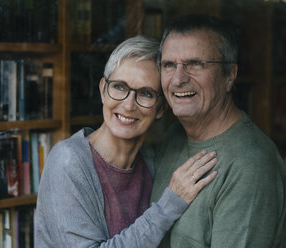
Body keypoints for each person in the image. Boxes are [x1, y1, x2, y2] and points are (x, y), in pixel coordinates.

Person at [34, 35, 218, 247]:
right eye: (119, 87)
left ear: (161, 108)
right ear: (103, 90)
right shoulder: (68, 161)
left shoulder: (150, 161)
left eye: (146, 93)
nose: (129, 105)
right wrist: (170, 203)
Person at [150, 14, 286, 247]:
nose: (178, 79)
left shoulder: (250, 165)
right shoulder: (172, 138)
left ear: (229, 75)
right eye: (169, 65)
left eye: (195, 64)